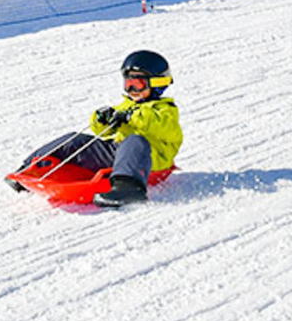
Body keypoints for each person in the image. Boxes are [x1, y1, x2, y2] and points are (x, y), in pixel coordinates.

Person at [12, 50, 182, 208]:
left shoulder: (166, 109)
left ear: (157, 84)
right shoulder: (127, 104)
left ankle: (129, 188)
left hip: (149, 158)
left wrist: (130, 117)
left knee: (134, 140)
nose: (131, 90)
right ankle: (27, 170)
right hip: (119, 153)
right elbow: (102, 131)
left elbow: (156, 122)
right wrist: (102, 119)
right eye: (128, 83)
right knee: (75, 139)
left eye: (137, 84)